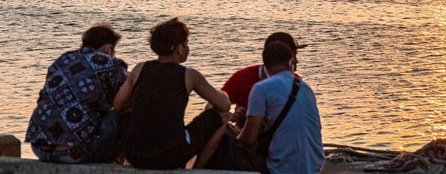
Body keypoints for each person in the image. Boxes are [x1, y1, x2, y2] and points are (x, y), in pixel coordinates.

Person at [114, 18, 231, 169]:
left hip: (136, 155)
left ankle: (118, 159)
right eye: (186, 43)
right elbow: (225, 105)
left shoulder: (139, 69)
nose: (188, 47)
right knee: (221, 115)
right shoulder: (189, 75)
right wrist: (223, 94)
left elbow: (118, 104)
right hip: (171, 156)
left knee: (125, 114)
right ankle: (197, 168)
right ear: (179, 49)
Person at [25, 24, 129, 164]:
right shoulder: (110, 63)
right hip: (74, 153)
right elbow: (128, 94)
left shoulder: (63, 59)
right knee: (122, 115)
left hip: (39, 148)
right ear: (108, 48)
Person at [238, 41, 324, 174]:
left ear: (265, 65)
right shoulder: (306, 89)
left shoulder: (261, 88)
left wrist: (234, 136)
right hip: (314, 167)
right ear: (290, 62)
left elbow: (249, 139)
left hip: (281, 169)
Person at [221, 31, 305, 124]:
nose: (296, 61)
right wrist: (232, 115)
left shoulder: (296, 82)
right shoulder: (243, 77)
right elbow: (212, 107)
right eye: (293, 56)